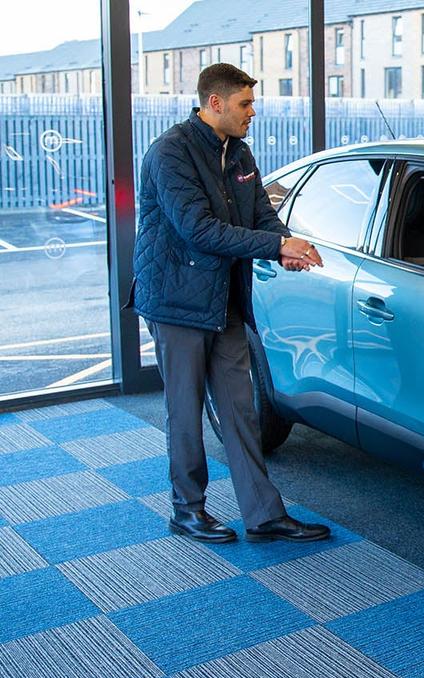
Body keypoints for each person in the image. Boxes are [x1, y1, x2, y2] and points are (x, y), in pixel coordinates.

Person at [131, 63, 329, 544]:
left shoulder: (237, 153)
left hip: (223, 300)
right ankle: (187, 509)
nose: (252, 112)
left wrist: (288, 244)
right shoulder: (170, 153)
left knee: (241, 410)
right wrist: (276, 247)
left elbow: (261, 213)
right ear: (214, 103)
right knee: (185, 409)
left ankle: (263, 514)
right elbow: (198, 230)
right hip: (177, 301)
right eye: (245, 104)